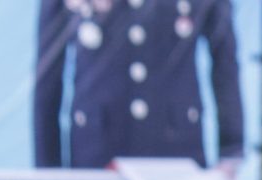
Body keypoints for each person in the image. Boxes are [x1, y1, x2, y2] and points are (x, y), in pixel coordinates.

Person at [34, 0, 243, 169]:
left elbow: (225, 62)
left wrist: (230, 153)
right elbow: (48, 73)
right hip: (95, 153)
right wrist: (48, 167)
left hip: (177, 156)